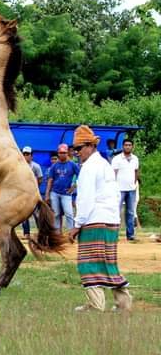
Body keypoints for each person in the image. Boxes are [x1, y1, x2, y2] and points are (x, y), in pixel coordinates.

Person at [67, 125, 132, 313]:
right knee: (109, 263)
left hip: (94, 221)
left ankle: (95, 305)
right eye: (74, 149)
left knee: (88, 263)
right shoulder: (105, 164)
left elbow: (85, 199)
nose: (76, 153)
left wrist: (77, 225)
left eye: (78, 149)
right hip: (110, 220)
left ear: (90, 146)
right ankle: (124, 303)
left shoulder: (88, 168)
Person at [44, 143, 79, 232]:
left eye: (64, 152)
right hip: (55, 192)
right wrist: (47, 194)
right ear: (58, 153)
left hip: (66, 193)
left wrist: (74, 186)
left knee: (69, 214)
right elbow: (50, 180)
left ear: (67, 153)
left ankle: (71, 233)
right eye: (60, 153)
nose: (62, 154)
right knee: (56, 214)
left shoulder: (72, 164)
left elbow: (80, 176)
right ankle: (57, 234)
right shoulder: (54, 165)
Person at [111, 139, 139, 241]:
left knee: (131, 212)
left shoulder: (135, 158)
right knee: (116, 212)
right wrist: (113, 186)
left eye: (130, 145)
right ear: (122, 146)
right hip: (119, 189)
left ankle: (130, 235)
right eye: (126, 145)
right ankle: (114, 235)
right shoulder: (117, 159)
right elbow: (113, 174)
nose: (128, 147)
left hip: (131, 189)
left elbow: (136, 171)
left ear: (132, 147)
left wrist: (134, 183)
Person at [21, 146, 43, 239]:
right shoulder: (20, 166)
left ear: (31, 155)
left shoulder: (36, 166)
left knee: (37, 214)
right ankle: (26, 233)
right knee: (24, 215)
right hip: (23, 194)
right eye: (24, 154)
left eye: (28, 154)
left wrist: (35, 188)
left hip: (33, 194)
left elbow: (40, 178)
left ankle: (41, 232)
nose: (26, 156)